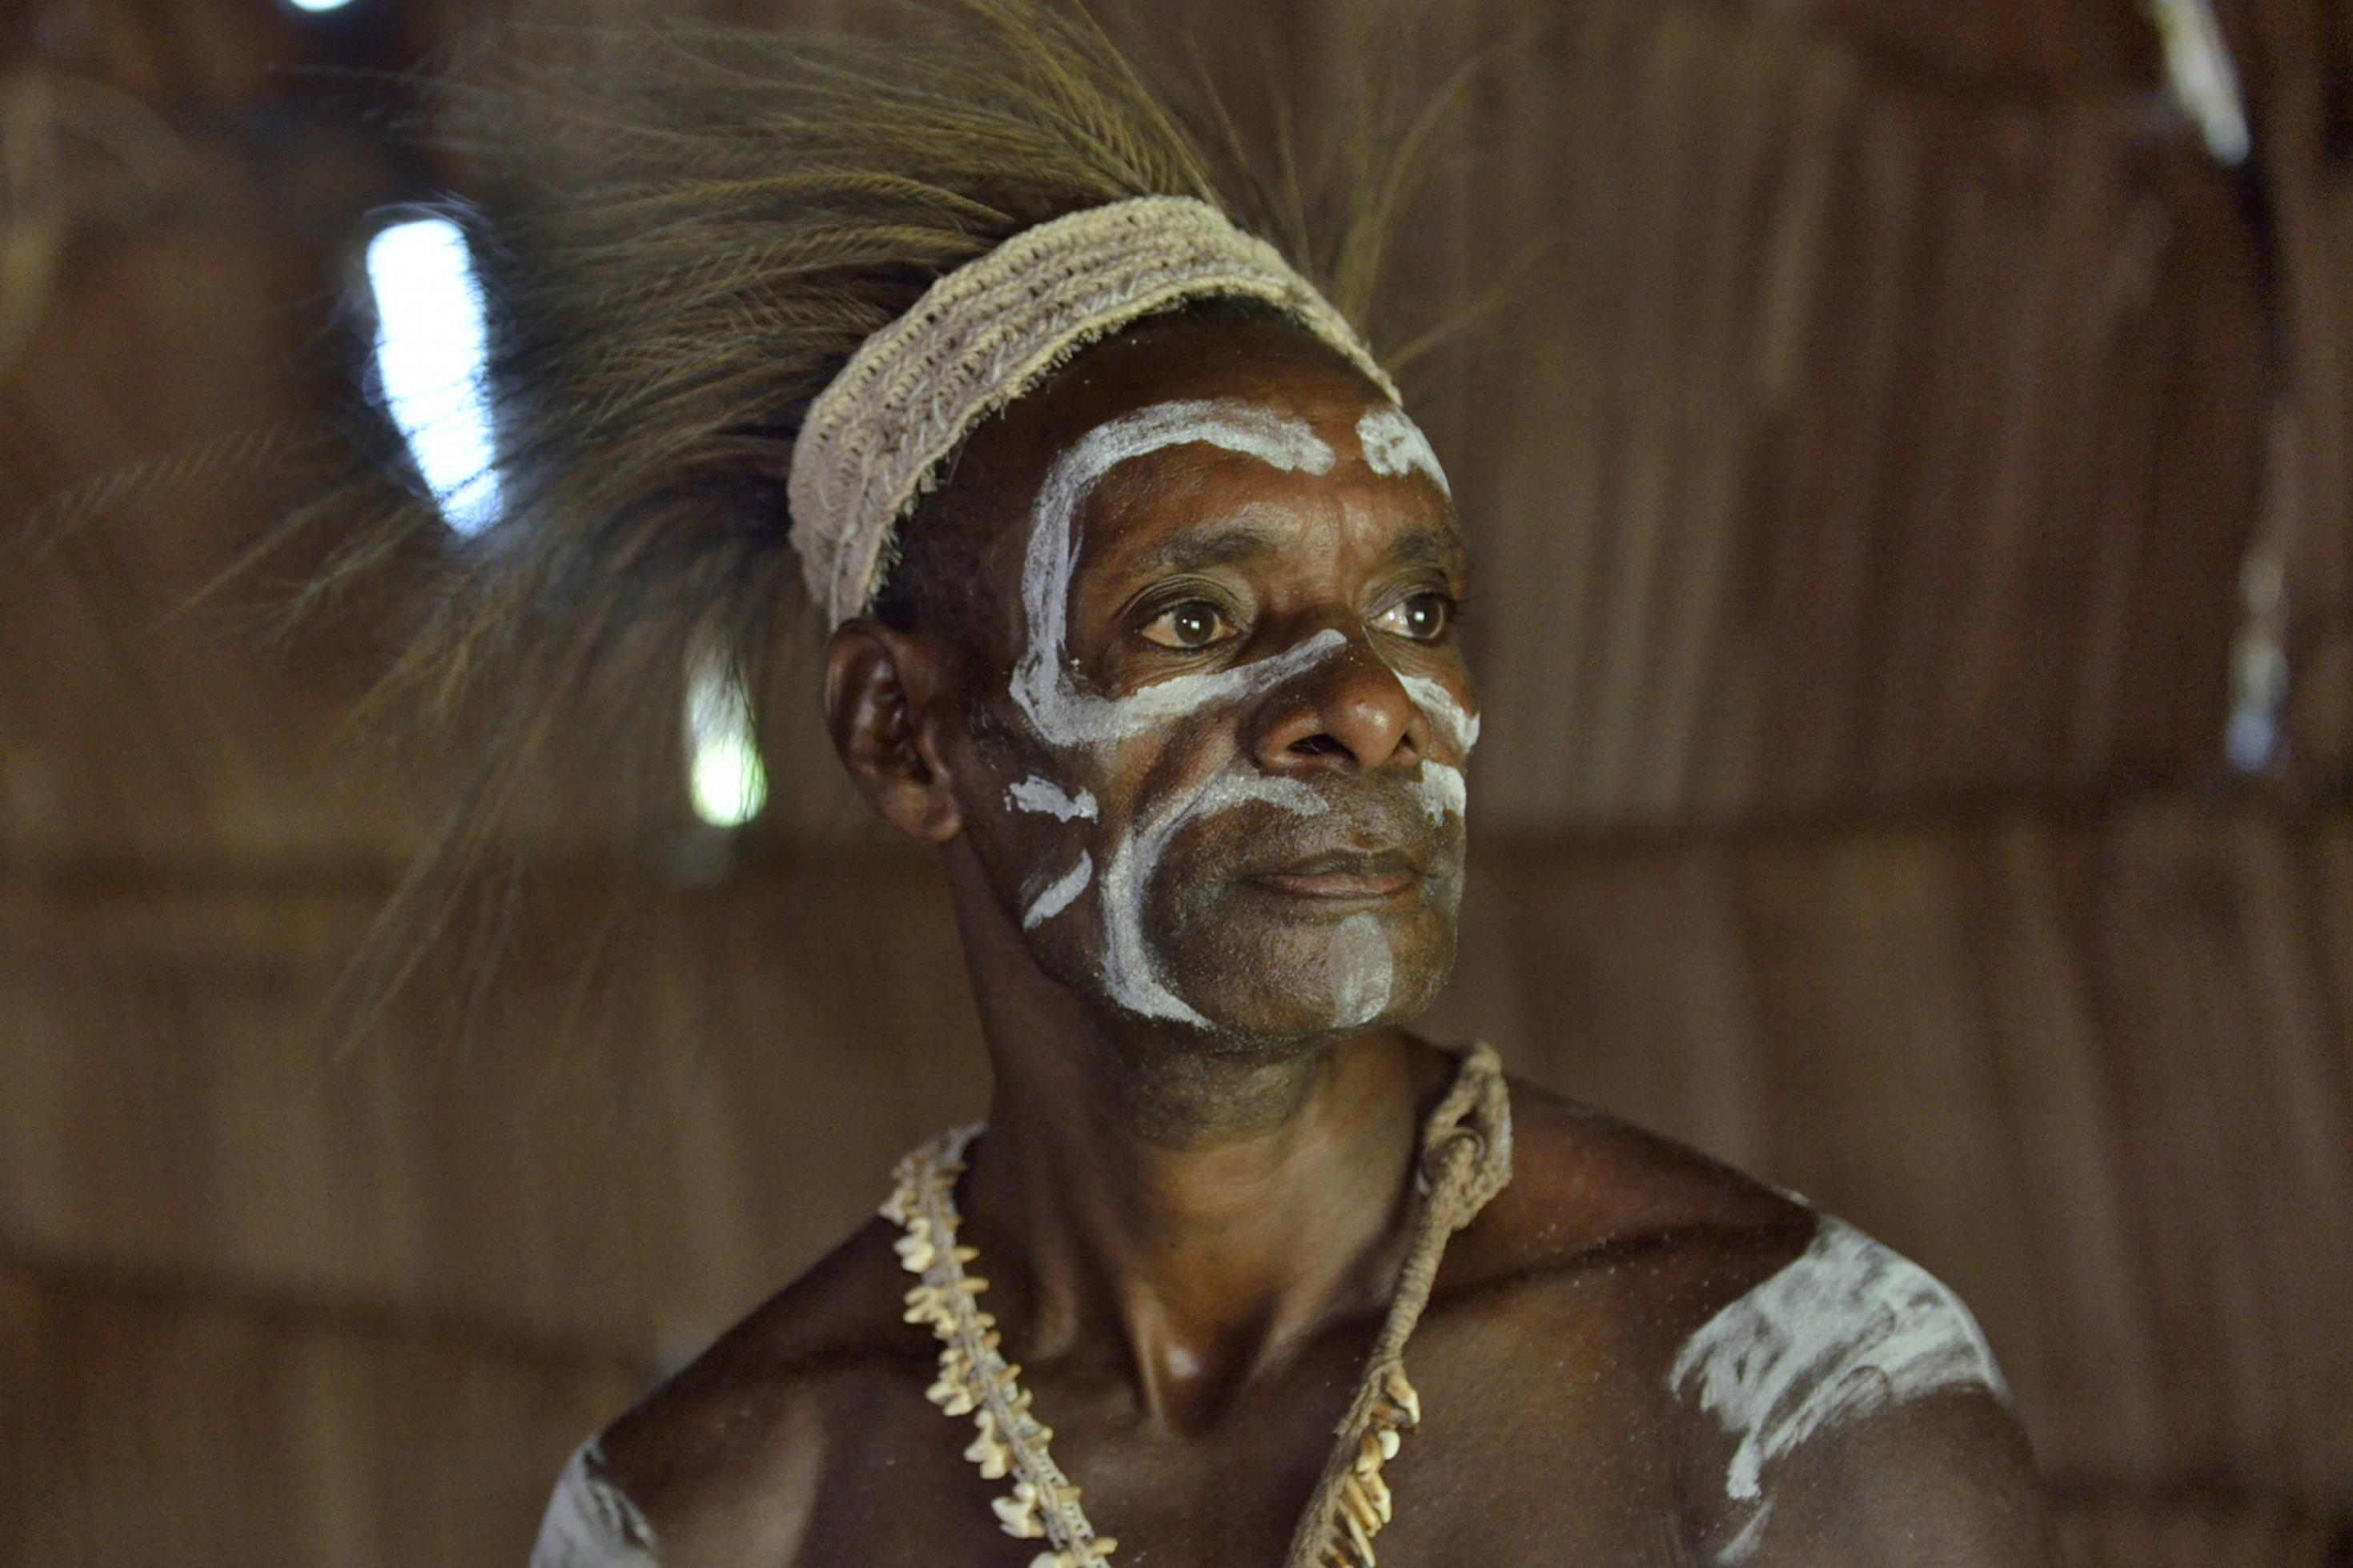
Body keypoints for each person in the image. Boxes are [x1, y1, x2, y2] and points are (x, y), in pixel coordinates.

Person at [396, 6, 2061, 1563]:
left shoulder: (1790, 1409)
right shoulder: (714, 1513)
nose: (1366, 707)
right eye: (1190, 615)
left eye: (1416, 609)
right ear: (905, 734)